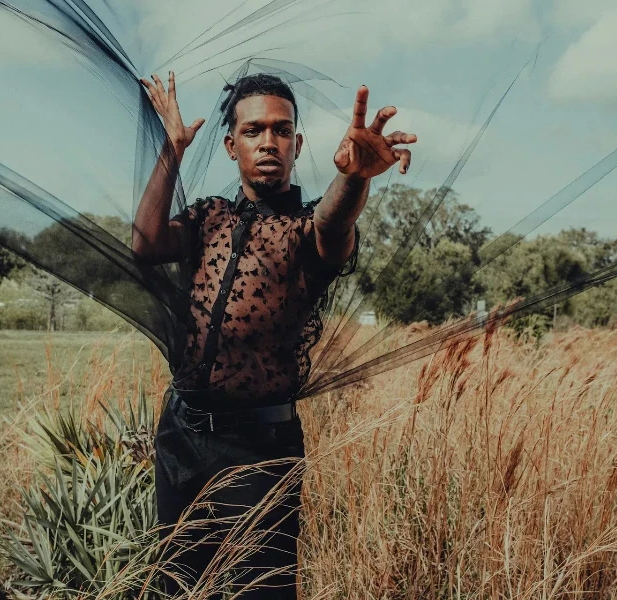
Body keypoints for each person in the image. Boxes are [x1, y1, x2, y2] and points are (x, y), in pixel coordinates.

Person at [133, 70, 416, 598]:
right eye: (254, 130)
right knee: (175, 587)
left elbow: (334, 226)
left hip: (260, 450)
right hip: (182, 436)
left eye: (282, 131)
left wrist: (355, 178)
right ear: (230, 144)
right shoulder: (207, 218)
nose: (269, 142)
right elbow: (146, 244)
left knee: (259, 591)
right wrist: (171, 150)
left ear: (297, 144)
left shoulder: (305, 232)